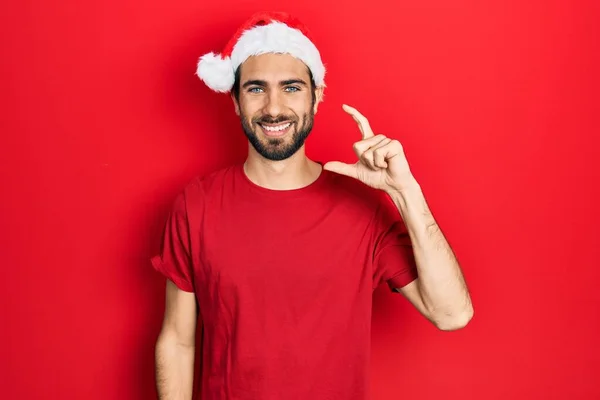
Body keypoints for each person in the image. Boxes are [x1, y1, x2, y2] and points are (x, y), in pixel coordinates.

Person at [151, 11, 473, 400]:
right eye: (255, 89)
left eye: (291, 88)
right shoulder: (196, 205)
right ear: (235, 100)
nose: (273, 108)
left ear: (317, 95)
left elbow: (452, 313)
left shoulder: (361, 208)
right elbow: (178, 340)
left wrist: (406, 192)